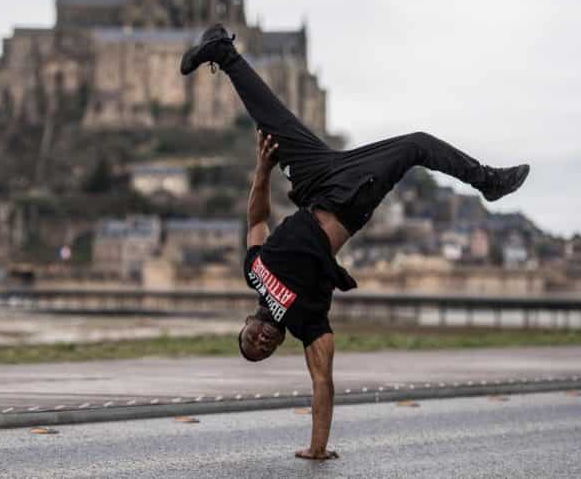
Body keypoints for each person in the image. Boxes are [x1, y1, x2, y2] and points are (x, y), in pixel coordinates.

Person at [180, 24, 530, 460]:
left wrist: (263, 170)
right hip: (348, 199)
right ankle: (488, 181)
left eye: (250, 342)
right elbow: (322, 383)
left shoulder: (254, 272)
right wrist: (317, 449)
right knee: (416, 144)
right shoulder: (306, 322)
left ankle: (222, 52)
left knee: (273, 122)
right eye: (263, 352)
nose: (260, 344)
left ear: (246, 326)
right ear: (277, 344)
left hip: (313, 183)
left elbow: (257, 219)